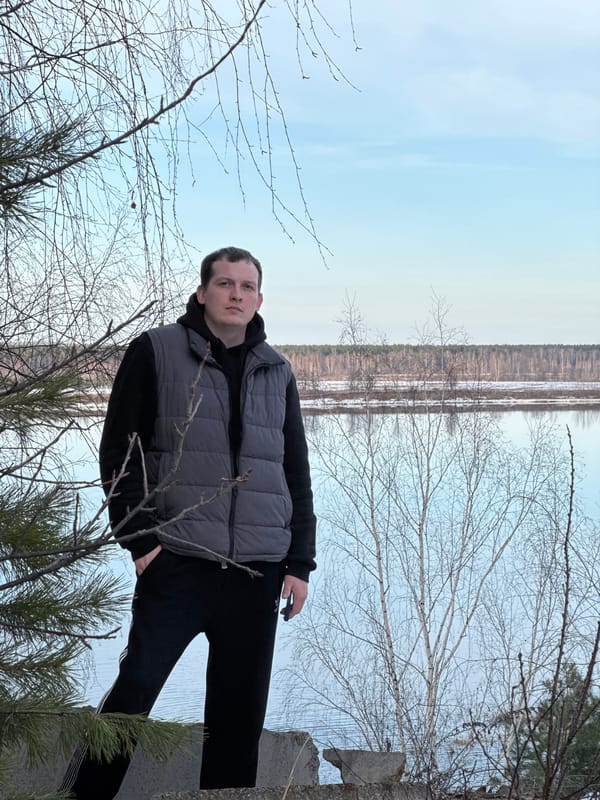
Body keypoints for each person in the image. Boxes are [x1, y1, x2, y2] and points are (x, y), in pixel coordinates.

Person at [61, 246, 316, 798]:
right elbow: (119, 456)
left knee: (237, 717)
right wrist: (142, 543)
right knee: (133, 696)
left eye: (246, 287)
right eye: (225, 284)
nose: (235, 295)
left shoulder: (277, 370)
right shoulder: (155, 351)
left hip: (258, 570)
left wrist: (299, 563)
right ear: (203, 292)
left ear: (259, 299)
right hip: (176, 561)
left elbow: (293, 472)